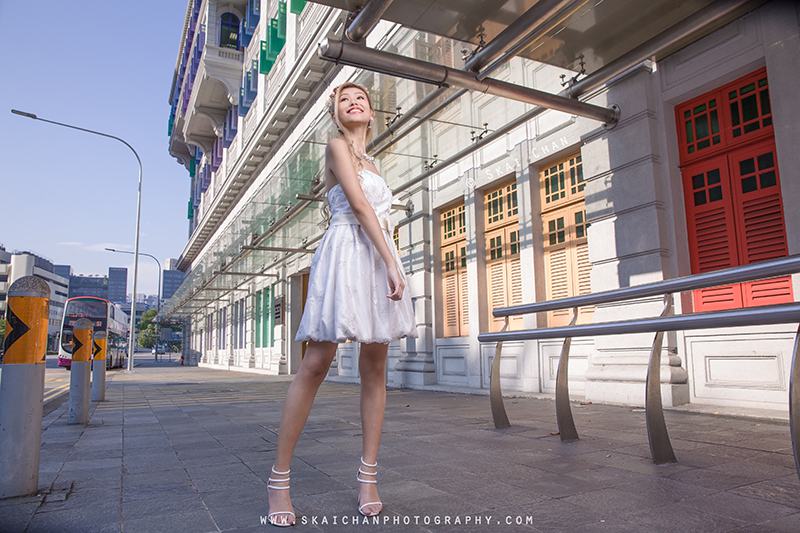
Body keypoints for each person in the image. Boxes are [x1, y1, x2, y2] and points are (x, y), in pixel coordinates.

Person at [266, 82, 417, 527]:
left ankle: (368, 478)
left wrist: (390, 261)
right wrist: (392, 261)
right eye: (343, 100)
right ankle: (278, 480)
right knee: (316, 362)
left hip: (376, 255)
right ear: (337, 115)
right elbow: (358, 205)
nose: (353, 103)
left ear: (372, 115)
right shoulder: (337, 147)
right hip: (349, 252)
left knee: (375, 369)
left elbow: (382, 216)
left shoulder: (374, 162)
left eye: (361, 100)